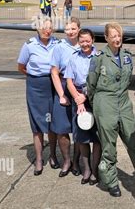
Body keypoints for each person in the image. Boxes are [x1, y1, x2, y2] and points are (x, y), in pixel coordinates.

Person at [87, 22, 135, 197]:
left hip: (123, 102)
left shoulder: (126, 55)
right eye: (113, 36)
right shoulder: (98, 58)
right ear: (106, 38)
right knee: (109, 145)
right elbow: (90, 84)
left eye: (119, 36)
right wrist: (98, 105)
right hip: (105, 102)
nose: (117, 39)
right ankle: (111, 181)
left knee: (134, 141)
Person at [17, 19, 59, 175]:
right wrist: (36, 77)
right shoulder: (29, 45)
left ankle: (54, 155)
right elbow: (21, 66)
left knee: (53, 123)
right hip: (36, 87)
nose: (46, 31)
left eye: (49, 28)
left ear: (53, 30)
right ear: (38, 29)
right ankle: (40, 159)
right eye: (43, 28)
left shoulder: (58, 44)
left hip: (54, 84)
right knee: (37, 125)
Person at [65, 29, 101, 185]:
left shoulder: (100, 58)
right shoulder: (73, 58)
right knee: (82, 136)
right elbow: (69, 81)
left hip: (96, 98)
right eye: (82, 41)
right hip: (78, 97)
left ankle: (95, 169)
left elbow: (100, 80)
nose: (85, 44)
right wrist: (78, 100)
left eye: (87, 41)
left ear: (92, 40)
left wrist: (85, 97)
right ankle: (86, 169)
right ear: (78, 42)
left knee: (97, 137)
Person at [50, 17, 82, 177]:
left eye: (73, 29)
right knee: (62, 129)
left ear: (79, 29)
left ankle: (76, 161)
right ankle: (67, 160)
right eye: (67, 29)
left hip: (79, 88)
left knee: (79, 128)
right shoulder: (59, 47)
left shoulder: (85, 45)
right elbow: (54, 72)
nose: (70, 32)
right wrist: (62, 95)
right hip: (63, 85)